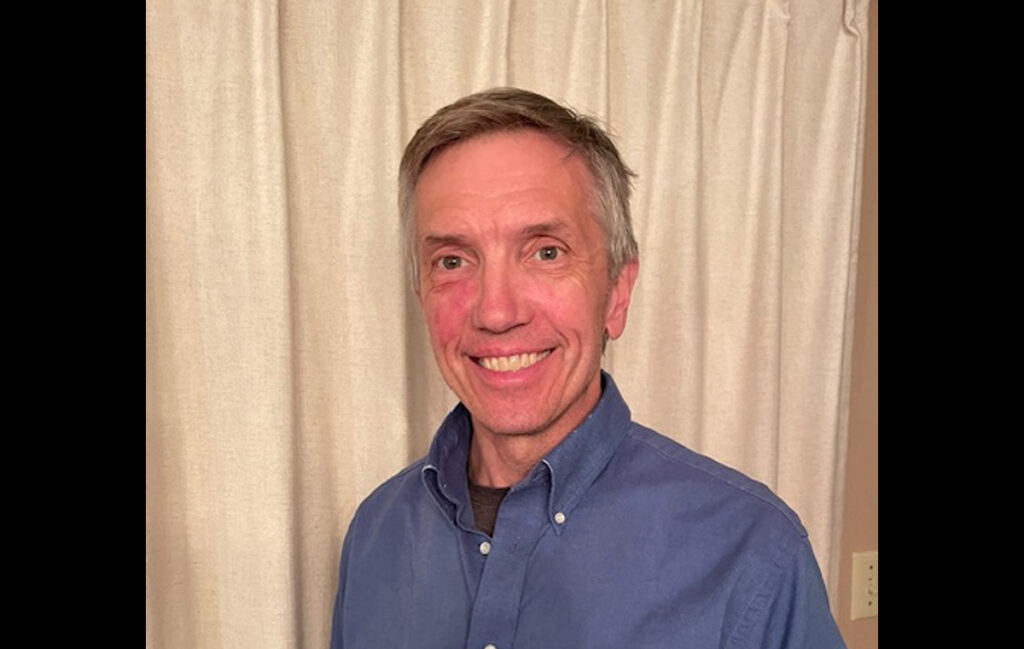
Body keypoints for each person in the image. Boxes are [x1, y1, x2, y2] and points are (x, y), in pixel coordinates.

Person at [329, 87, 846, 649]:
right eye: (452, 261)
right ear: (422, 297)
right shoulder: (375, 535)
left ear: (617, 292)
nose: (496, 312)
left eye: (546, 252)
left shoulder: (752, 554)